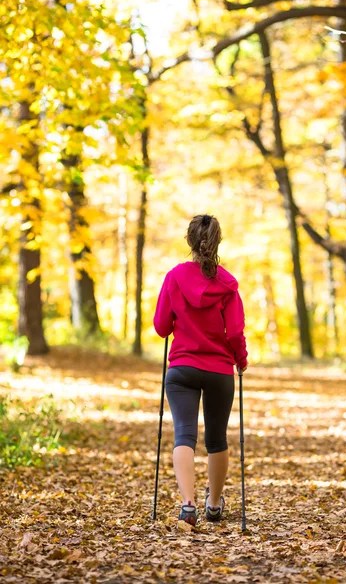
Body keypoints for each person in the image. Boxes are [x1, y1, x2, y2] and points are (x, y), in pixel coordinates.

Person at [153, 214, 248, 529]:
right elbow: (234, 332)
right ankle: (213, 505)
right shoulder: (228, 284)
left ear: (189, 241)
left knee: (184, 434)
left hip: (182, 368)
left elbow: (161, 326)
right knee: (217, 438)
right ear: (217, 241)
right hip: (219, 369)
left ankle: (187, 505)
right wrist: (241, 359)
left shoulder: (174, 277)